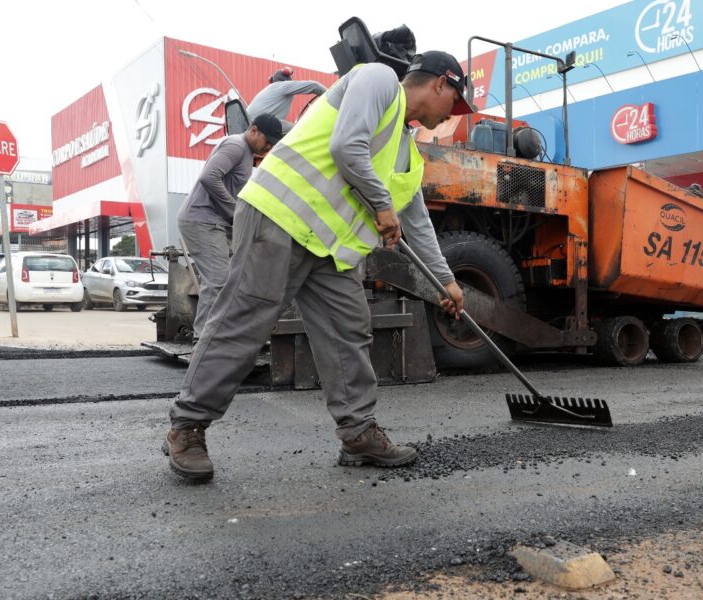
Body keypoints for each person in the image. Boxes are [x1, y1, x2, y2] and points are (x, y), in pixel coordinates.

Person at [164, 51, 475, 481]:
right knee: (243, 323)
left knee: (349, 333)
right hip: (280, 216)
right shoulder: (379, 80)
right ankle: (187, 426)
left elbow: (417, 223)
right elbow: (346, 146)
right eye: (454, 103)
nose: (451, 116)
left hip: (331, 251)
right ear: (440, 82)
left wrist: (445, 282)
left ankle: (358, 434)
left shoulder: (409, 154)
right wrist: (382, 206)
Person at [176, 114, 284, 342]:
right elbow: (209, 177)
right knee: (218, 281)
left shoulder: (247, 154)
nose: (268, 147)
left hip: (217, 223)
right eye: (267, 141)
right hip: (202, 220)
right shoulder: (236, 145)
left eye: (272, 144)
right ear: (253, 130)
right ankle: (204, 341)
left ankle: (226, 334)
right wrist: (235, 211)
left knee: (235, 278)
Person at [247, 66, 328, 130]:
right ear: (287, 81)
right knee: (300, 131)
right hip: (262, 124)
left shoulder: (267, 89)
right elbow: (314, 85)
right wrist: (330, 95)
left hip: (249, 124)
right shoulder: (282, 86)